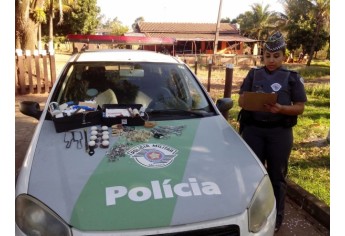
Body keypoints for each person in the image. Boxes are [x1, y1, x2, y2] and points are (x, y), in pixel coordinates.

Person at [237, 31, 307, 232]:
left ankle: (277, 218)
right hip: (253, 132)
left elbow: (300, 107)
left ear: (283, 56)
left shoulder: (292, 77)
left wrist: (282, 109)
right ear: (263, 56)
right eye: (267, 56)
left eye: (276, 56)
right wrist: (248, 102)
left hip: (279, 134)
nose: (271, 60)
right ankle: (249, 217)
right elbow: (241, 99)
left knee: (277, 177)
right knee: (251, 175)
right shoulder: (254, 74)